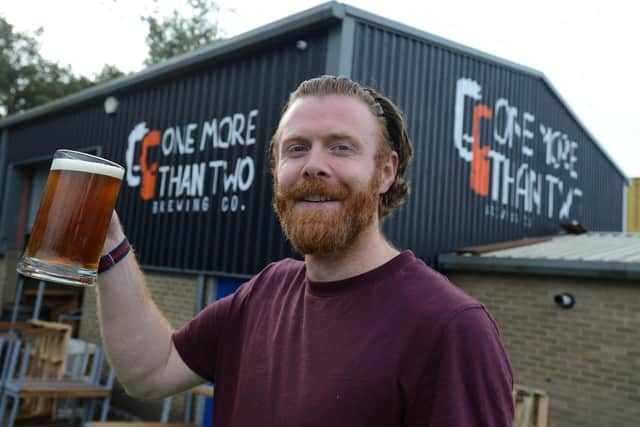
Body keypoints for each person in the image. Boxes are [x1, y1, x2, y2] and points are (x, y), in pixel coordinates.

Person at [97, 75, 514, 426]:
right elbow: (150, 372)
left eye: (340, 146)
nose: (313, 165)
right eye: (296, 148)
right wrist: (109, 245)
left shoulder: (450, 327)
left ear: (386, 171)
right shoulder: (263, 292)